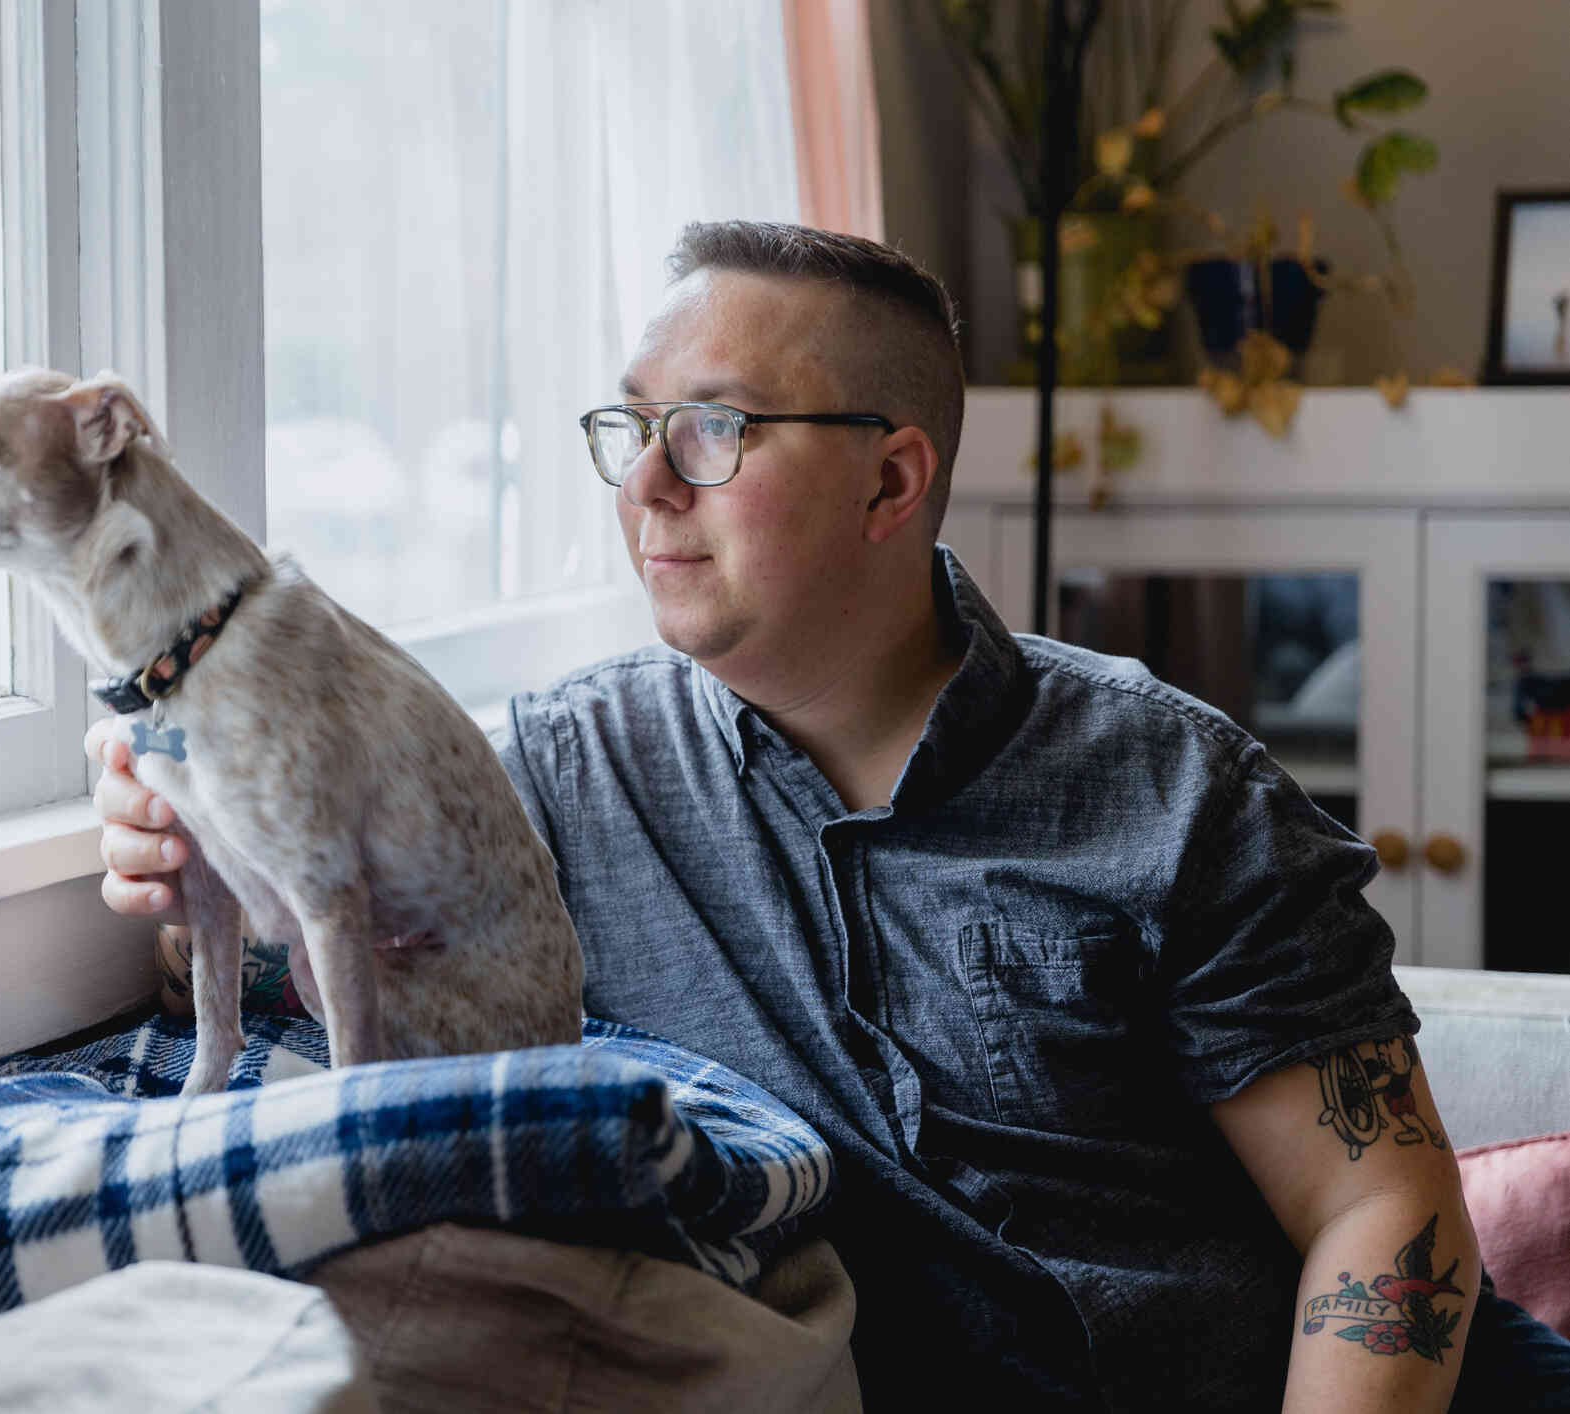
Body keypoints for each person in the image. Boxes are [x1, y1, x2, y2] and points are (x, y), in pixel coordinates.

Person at [85, 221, 1570, 1410]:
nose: (649, 485)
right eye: (633, 426)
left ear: (889, 478)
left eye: (715, 428)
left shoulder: (1174, 788)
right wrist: (188, 851)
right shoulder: (547, 779)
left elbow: (1381, 1208)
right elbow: (325, 967)